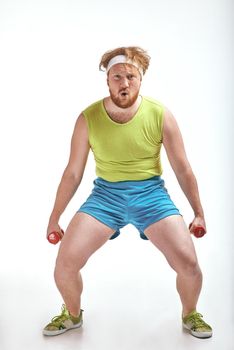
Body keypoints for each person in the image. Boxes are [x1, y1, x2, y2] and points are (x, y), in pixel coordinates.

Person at [43, 46, 212, 338]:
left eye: (130, 76)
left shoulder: (160, 115)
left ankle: (190, 313)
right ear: (107, 81)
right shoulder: (88, 118)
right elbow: (72, 172)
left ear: (140, 79)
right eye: (117, 76)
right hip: (105, 197)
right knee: (64, 263)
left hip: (151, 196)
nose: (124, 83)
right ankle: (72, 315)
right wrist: (54, 217)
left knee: (189, 263)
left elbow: (183, 169)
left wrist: (199, 213)